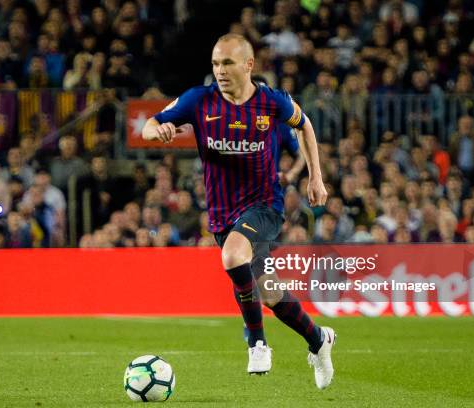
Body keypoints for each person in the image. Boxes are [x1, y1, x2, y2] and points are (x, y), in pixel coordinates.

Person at [141, 33, 335, 388]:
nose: (220, 71)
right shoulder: (198, 100)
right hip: (222, 215)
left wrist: (315, 178)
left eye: (227, 63)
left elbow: (304, 125)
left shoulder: (270, 103)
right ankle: (319, 339)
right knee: (270, 293)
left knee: (232, 257)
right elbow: (148, 125)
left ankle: (257, 342)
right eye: (215, 64)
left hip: (264, 207)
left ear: (248, 65)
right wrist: (161, 131)